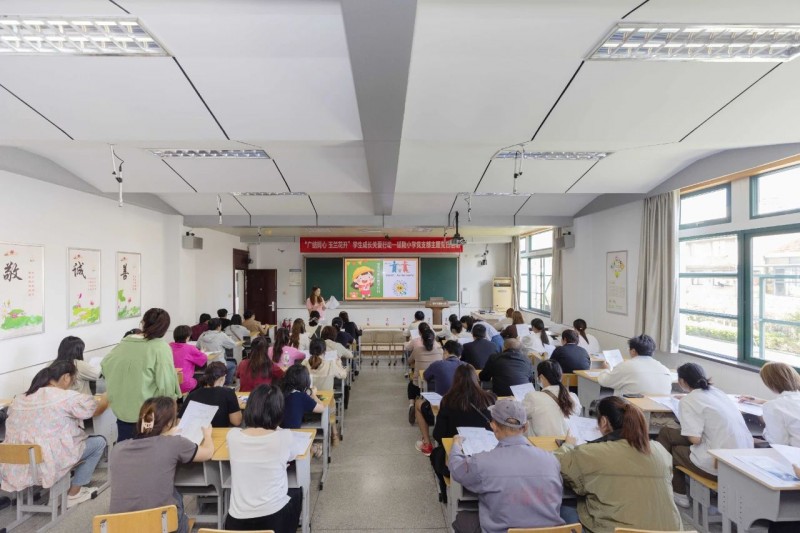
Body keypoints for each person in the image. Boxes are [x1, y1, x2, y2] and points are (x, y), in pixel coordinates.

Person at [556, 396, 682, 533]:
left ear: (604, 422)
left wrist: (568, 445)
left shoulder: (594, 452)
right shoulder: (659, 450)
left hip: (616, 530)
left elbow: (557, 464)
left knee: (561, 509)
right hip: (670, 530)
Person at [1, 361, 108, 507]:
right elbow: (94, 409)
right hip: (48, 461)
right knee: (98, 442)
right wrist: (106, 397)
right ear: (66, 377)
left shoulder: (19, 399)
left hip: (17, 463)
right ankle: (74, 494)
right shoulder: (65, 397)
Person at [449, 399, 564, 533]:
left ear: (493, 426)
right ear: (526, 427)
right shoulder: (551, 460)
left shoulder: (482, 462)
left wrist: (456, 445)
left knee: (462, 519)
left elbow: (456, 468)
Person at [110, 397, 215, 533]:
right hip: (162, 526)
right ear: (170, 423)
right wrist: (208, 435)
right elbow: (208, 453)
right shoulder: (175, 443)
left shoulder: (118, 449)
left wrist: (166, 435)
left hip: (120, 526)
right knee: (175, 494)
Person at [657, 363, 753, 508]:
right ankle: (666, 481)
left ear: (681, 381)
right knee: (667, 433)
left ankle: (678, 493)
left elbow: (695, 440)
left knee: (675, 450)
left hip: (718, 464)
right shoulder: (718, 393)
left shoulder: (689, 401)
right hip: (743, 460)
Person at [224, 385, 303, 532]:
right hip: (274, 521)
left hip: (236, 524)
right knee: (297, 491)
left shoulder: (232, 436)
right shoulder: (284, 437)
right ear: (279, 411)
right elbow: (295, 453)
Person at [102, 308, 181, 442]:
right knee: (148, 450)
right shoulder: (160, 347)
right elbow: (167, 386)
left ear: (143, 322)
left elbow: (105, 366)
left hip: (122, 412)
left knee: (126, 449)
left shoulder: (124, 343)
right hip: (148, 415)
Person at [413, 341, 466, 456]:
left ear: (445, 352)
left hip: (442, 409)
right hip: (465, 409)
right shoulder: (467, 366)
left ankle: (427, 443)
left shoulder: (438, 364)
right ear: (460, 355)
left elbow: (425, 376)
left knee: (418, 403)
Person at [740, 362, 800, 447]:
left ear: (771, 383)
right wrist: (761, 401)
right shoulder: (784, 402)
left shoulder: (773, 407)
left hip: (792, 452)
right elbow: (790, 406)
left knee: (745, 439)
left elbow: (778, 443)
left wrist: (766, 425)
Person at [597, 334, 672, 396]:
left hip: (629, 407)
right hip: (658, 408)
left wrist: (605, 369)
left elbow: (604, 381)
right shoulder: (664, 369)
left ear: (633, 351)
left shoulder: (626, 366)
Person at [523, 360, 581, 436]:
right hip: (569, 441)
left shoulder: (533, 397)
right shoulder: (572, 397)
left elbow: (519, 414)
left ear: (541, 377)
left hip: (543, 442)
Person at [179, 362, 242, 427]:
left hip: (197, 432)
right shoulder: (228, 393)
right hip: (219, 432)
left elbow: (179, 421)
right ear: (223, 377)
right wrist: (235, 404)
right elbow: (236, 421)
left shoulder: (192, 395)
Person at [407, 327, 444, 421]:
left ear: (422, 340)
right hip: (436, 386)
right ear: (434, 339)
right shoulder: (440, 350)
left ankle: (411, 405)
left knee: (411, 385)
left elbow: (409, 361)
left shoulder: (417, 350)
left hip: (419, 385)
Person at [281, 365, 325, 439]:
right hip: (293, 436)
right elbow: (322, 408)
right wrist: (313, 395)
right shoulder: (302, 396)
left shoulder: (280, 392)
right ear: (305, 380)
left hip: (278, 434)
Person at [197, 318, 238, 385]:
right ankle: (228, 384)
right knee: (233, 365)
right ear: (219, 326)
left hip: (206, 364)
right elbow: (233, 345)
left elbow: (198, 346)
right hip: (219, 364)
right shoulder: (221, 335)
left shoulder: (203, 335)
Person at [170, 325, 210, 394]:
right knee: (202, 378)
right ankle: (191, 399)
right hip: (183, 384)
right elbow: (203, 359)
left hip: (170, 382)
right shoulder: (190, 348)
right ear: (187, 337)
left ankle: (179, 399)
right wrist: (202, 352)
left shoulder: (169, 346)